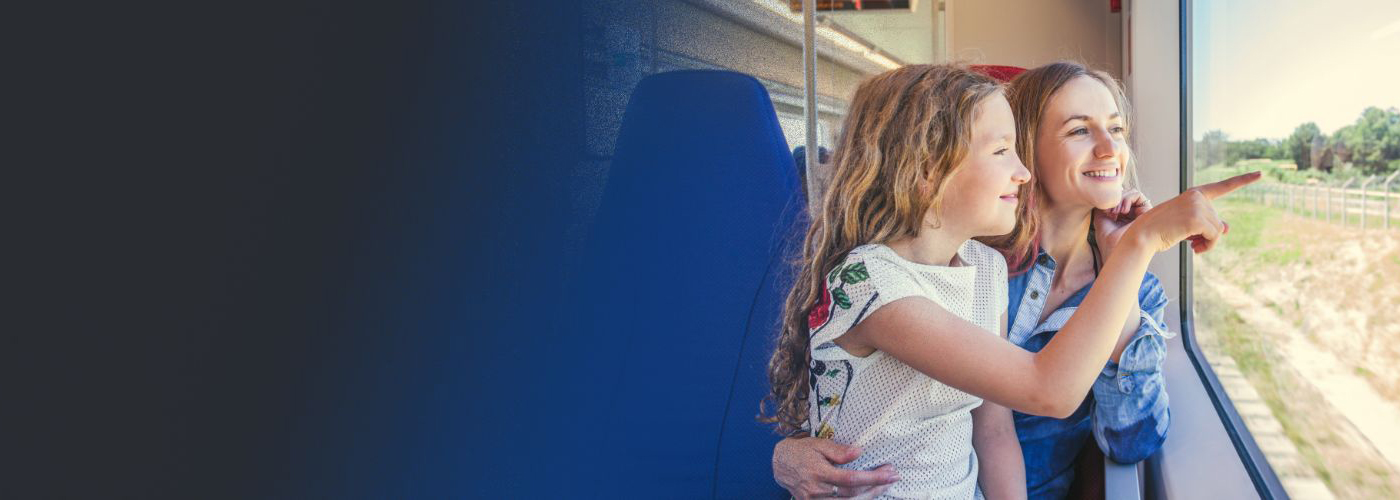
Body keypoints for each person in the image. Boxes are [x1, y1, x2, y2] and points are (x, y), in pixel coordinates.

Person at [762, 62, 1257, 499]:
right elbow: (850, 390)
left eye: (1117, 129)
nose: (1110, 148)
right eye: (1079, 130)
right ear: (1028, 147)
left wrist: (1121, 260)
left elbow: (1127, 442)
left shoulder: (992, 269)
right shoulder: (937, 257)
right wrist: (790, 448)